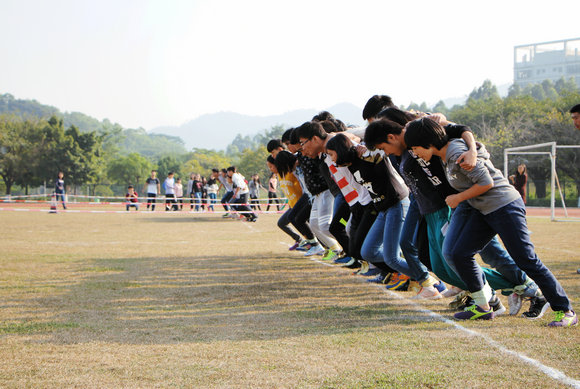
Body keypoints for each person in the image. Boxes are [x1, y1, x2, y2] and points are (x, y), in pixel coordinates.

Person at [404, 117, 576, 326]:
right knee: (458, 253)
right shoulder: (444, 151)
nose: (414, 153)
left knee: (526, 259)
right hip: (480, 208)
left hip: (503, 206)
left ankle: (564, 310)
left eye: (415, 147)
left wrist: (458, 198)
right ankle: (483, 306)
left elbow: (487, 182)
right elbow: (457, 129)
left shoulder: (456, 152)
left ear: (428, 142)